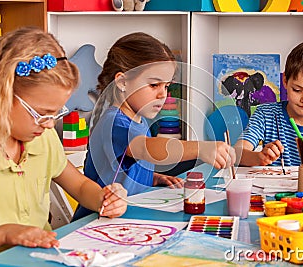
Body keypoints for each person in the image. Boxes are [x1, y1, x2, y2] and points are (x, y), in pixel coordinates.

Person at [0, 27, 127, 265]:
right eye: (41, 113)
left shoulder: (42, 137)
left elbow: (81, 186)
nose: (50, 124)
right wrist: (3, 235)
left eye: (56, 113)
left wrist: (105, 199)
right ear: (0, 93)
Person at [72, 32, 236, 221]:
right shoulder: (113, 122)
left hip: (126, 219)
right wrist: (200, 148)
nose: (162, 94)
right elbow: (145, 148)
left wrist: (152, 177)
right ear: (122, 82)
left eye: (166, 86)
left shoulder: (139, 120)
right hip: (94, 222)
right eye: (154, 85)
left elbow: (125, 166)